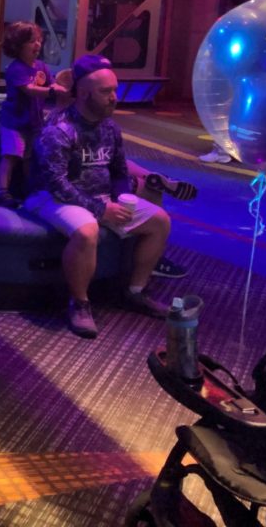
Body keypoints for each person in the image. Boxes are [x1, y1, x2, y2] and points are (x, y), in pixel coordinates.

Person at [23, 54, 171, 339]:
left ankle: (134, 292)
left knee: (160, 221)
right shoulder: (59, 129)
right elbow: (56, 183)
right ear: (83, 93)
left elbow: (118, 171)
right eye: (106, 92)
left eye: (115, 90)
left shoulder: (109, 128)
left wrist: (121, 199)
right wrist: (102, 210)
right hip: (50, 198)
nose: (114, 97)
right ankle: (79, 303)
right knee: (87, 230)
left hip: (98, 198)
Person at [0, 21, 66, 208]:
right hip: (14, 122)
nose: (37, 44)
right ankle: (2, 191)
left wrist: (60, 87)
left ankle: (30, 190)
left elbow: (51, 83)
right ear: (17, 45)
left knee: (30, 158)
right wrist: (53, 91)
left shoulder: (41, 66)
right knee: (11, 155)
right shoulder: (16, 68)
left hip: (34, 123)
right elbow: (29, 89)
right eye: (31, 41)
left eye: (39, 40)